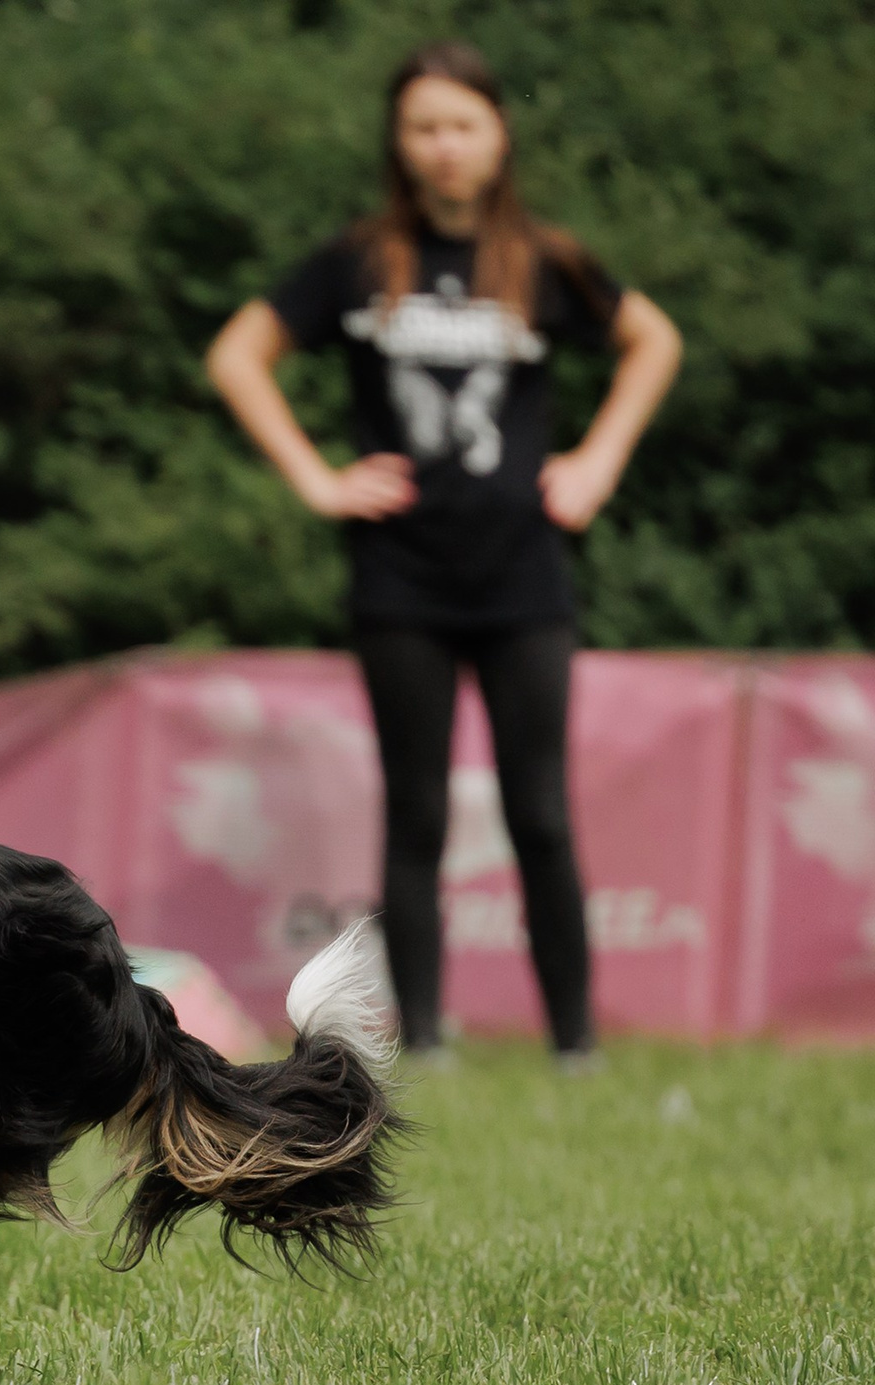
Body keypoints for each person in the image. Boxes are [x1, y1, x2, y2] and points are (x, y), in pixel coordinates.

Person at [206, 40, 681, 1066]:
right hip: (401, 579)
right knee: (415, 814)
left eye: (463, 123)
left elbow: (655, 341)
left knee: (539, 812)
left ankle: (575, 1049)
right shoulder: (356, 262)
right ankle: (422, 1044)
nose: (445, 145)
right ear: (399, 142)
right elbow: (237, 353)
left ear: (498, 135)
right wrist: (316, 477)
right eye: (424, 126)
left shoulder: (545, 260)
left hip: (524, 578)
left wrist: (598, 459)